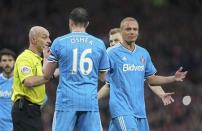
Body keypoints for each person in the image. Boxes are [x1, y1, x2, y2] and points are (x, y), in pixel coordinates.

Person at [105, 17, 187, 131]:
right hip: (121, 109)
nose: (132, 32)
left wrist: (173, 78)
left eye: (135, 29)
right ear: (122, 31)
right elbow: (102, 77)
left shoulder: (143, 53)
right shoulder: (111, 53)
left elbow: (151, 79)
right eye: (128, 29)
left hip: (140, 112)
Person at [43, 7, 109, 131]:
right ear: (87, 24)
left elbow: (46, 75)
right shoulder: (99, 44)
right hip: (89, 101)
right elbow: (103, 77)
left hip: (66, 101)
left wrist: (46, 58)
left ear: (70, 22)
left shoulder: (59, 42)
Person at [98, 28, 175, 106]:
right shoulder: (111, 59)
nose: (113, 44)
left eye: (116, 40)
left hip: (139, 109)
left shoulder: (141, 54)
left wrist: (161, 94)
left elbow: (151, 79)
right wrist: (95, 99)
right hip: (120, 108)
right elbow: (108, 84)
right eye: (111, 41)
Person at [11, 26, 51, 131]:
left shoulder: (37, 59)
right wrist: (46, 77)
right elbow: (28, 81)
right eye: (45, 37)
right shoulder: (25, 58)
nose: (49, 41)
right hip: (25, 109)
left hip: (32, 110)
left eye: (49, 37)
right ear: (33, 39)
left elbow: (46, 74)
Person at [0, 48, 16, 131]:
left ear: (14, 62)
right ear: (0, 63)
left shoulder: (22, 82)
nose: (7, 63)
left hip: (17, 126)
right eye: (4, 60)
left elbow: (43, 98)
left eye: (10, 60)